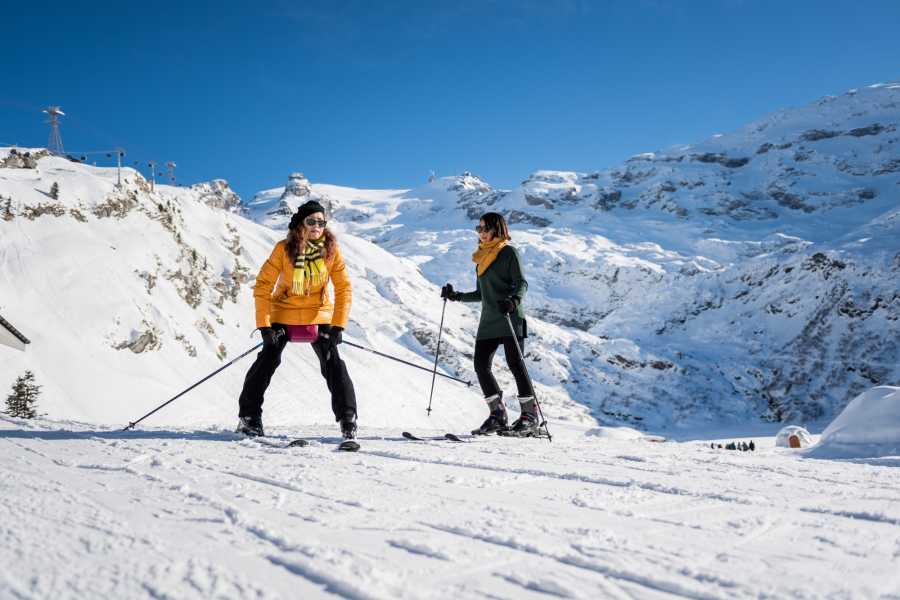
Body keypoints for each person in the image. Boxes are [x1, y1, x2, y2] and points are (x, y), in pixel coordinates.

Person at [236, 200, 357, 439]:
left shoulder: (331, 250)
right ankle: (249, 417)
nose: (316, 226)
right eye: (311, 221)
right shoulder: (283, 249)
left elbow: (344, 288)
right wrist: (264, 326)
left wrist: (338, 325)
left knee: (333, 361)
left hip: (317, 313)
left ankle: (348, 418)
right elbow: (263, 286)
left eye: (321, 222)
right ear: (300, 224)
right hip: (283, 311)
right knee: (268, 358)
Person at [441, 212, 539, 436]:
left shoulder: (507, 252)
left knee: (516, 364)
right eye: (479, 228)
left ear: (497, 229)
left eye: (485, 228)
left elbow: (521, 283)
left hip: (510, 317)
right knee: (480, 365)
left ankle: (529, 416)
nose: (481, 233)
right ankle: (497, 414)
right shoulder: (481, 258)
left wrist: (514, 301)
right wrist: (456, 296)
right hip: (489, 321)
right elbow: (481, 293)